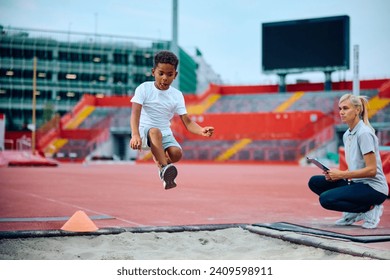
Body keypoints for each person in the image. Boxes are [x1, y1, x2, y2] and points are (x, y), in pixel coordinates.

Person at [129, 50, 214, 190]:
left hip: (165, 133)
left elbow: (187, 122)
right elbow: (135, 113)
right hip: (144, 132)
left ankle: (163, 166)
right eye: (160, 73)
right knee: (155, 132)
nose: (164, 78)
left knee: (176, 153)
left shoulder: (177, 95)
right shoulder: (144, 88)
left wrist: (201, 130)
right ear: (153, 72)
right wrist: (135, 135)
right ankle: (163, 168)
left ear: (175, 75)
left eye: (169, 75)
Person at [308, 93, 388, 229]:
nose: (341, 112)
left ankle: (369, 209)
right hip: (356, 183)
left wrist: (341, 175)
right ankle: (354, 211)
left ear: (357, 110)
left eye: (346, 108)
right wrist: (334, 174)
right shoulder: (347, 134)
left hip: (374, 188)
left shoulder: (364, 134)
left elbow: (371, 170)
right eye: (340, 109)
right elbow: (356, 166)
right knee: (314, 182)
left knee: (326, 199)